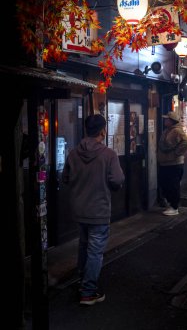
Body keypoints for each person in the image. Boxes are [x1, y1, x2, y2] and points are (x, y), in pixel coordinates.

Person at [62, 114, 125, 305]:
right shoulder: (108, 154)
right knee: (95, 251)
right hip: (98, 210)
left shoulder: (73, 153)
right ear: (102, 131)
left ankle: (83, 281)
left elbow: (65, 178)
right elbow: (117, 180)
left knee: (83, 246)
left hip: (79, 210)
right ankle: (88, 292)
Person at [157, 111, 187, 216]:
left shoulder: (177, 130)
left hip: (174, 164)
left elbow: (186, 142)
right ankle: (171, 204)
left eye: (167, 119)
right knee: (164, 183)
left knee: (173, 185)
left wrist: (176, 153)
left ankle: (174, 207)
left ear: (171, 121)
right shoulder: (168, 130)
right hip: (165, 163)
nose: (165, 120)